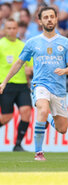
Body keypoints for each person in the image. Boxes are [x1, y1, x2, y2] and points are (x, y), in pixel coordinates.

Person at [0, 6, 68, 161]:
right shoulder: (32, 42)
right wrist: (4, 82)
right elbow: (19, 63)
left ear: (56, 19)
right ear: (40, 21)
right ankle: (39, 153)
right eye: (46, 17)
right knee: (42, 108)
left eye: (52, 17)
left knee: (63, 129)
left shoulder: (65, 42)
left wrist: (65, 70)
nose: (49, 19)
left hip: (59, 89)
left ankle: (48, 119)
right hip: (40, 85)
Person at [0, 19, 32, 151]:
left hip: (22, 85)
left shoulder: (23, 45)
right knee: (7, 117)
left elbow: (30, 65)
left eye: (14, 28)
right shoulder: (1, 45)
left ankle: (18, 144)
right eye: (9, 28)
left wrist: (30, 70)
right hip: (6, 85)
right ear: (4, 30)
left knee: (26, 111)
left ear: (17, 29)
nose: (12, 31)